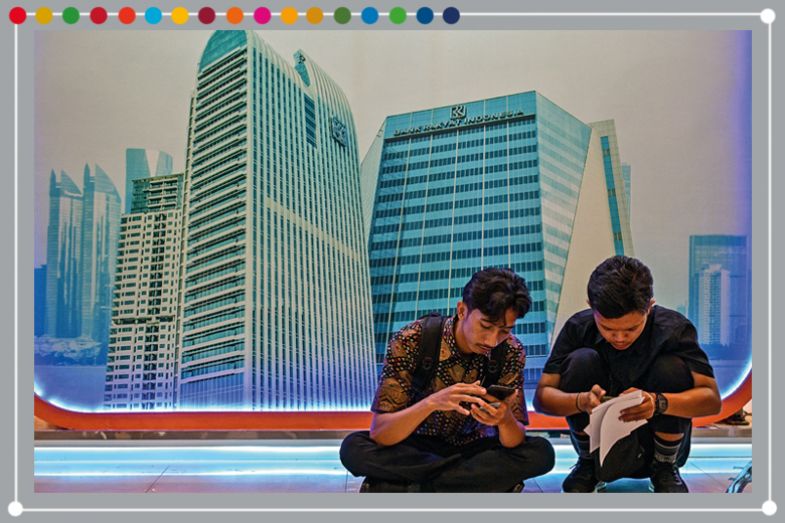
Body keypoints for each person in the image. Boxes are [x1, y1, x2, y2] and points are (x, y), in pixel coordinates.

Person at [340, 267, 555, 492]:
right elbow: (381, 433)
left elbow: (515, 439)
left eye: (504, 331)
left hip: (475, 447)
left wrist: (504, 419)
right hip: (413, 444)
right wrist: (432, 403)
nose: (492, 341)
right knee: (354, 448)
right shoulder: (412, 340)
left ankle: (412, 485)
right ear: (462, 310)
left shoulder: (510, 351)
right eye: (486, 326)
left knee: (541, 452)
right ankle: (465, 482)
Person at [533, 256, 722, 493]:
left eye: (631, 328)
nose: (620, 338)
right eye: (608, 329)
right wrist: (580, 401)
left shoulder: (674, 329)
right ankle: (587, 465)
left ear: (650, 306)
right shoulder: (578, 327)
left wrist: (658, 402)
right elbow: (542, 397)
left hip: (661, 442)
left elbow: (711, 400)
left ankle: (665, 468)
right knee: (581, 360)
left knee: (671, 365)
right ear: (591, 307)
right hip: (597, 444)